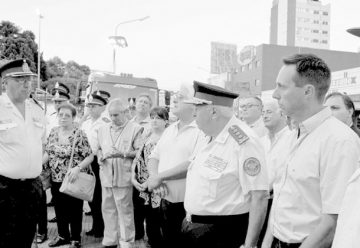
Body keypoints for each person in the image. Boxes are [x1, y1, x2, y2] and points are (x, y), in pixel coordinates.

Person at [262, 54, 360, 248]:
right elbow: (280, 200)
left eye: (282, 86)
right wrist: (266, 243)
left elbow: (334, 221)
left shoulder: (339, 141)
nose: (275, 94)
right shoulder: (291, 137)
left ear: (308, 91)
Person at [168, 81, 269, 248]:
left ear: (213, 111)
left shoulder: (244, 142)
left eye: (197, 109)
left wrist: (250, 245)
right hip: (192, 226)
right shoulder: (207, 136)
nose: (194, 115)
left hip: (221, 233)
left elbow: (258, 197)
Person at [146, 83, 209, 248]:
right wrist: (155, 178)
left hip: (186, 204)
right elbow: (154, 157)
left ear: (193, 104)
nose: (174, 100)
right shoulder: (170, 129)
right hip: (165, 199)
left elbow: (192, 164)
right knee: (167, 240)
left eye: (180, 97)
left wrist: (159, 177)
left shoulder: (202, 131)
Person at [0, 59, 46, 248]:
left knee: (25, 238)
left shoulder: (36, 109)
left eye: (28, 79)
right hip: (4, 188)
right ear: (4, 82)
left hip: (32, 188)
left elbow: (41, 143)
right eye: (19, 79)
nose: (26, 83)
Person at [43, 103, 94, 248]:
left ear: (73, 118)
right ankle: (62, 236)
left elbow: (89, 156)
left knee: (75, 210)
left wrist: (77, 168)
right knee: (59, 209)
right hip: (55, 178)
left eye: (67, 115)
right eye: (61, 115)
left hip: (73, 178)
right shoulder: (53, 131)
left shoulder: (79, 134)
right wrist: (39, 164)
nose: (63, 118)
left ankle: (75, 239)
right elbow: (48, 152)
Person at [95, 98, 144, 248]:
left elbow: (140, 152)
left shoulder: (135, 129)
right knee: (107, 208)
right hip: (106, 175)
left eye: (116, 115)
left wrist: (123, 153)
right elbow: (99, 148)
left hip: (124, 175)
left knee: (125, 210)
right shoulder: (102, 129)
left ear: (126, 112)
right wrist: (99, 157)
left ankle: (126, 241)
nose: (112, 118)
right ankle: (110, 240)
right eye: (111, 115)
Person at [131, 107, 169, 248]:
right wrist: (133, 178)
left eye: (158, 118)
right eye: (152, 117)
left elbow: (164, 164)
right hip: (142, 185)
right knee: (147, 219)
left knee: (157, 219)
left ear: (166, 121)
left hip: (157, 185)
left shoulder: (167, 139)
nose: (154, 120)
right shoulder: (147, 136)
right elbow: (137, 159)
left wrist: (149, 181)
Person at [259, 100, 292, 247]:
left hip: (277, 202)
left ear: (282, 113)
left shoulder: (292, 139)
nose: (265, 116)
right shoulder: (260, 142)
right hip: (256, 201)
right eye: (263, 112)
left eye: (269, 112)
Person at [81, 92, 111, 238]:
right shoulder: (85, 123)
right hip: (85, 162)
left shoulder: (105, 123)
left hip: (97, 163)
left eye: (94, 106)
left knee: (99, 197)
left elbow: (105, 145)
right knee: (90, 196)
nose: (91, 108)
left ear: (103, 107)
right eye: (90, 106)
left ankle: (101, 227)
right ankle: (96, 225)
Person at [131, 92, 153, 241]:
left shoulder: (153, 124)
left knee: (149, 205)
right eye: (140, 101)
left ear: (150, 107)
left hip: (147, 168)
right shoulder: (129, 122)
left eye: (146, 102)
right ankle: (138, 233)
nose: (142, 104)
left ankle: (151, 236)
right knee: (135, 204)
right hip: (132, 167)